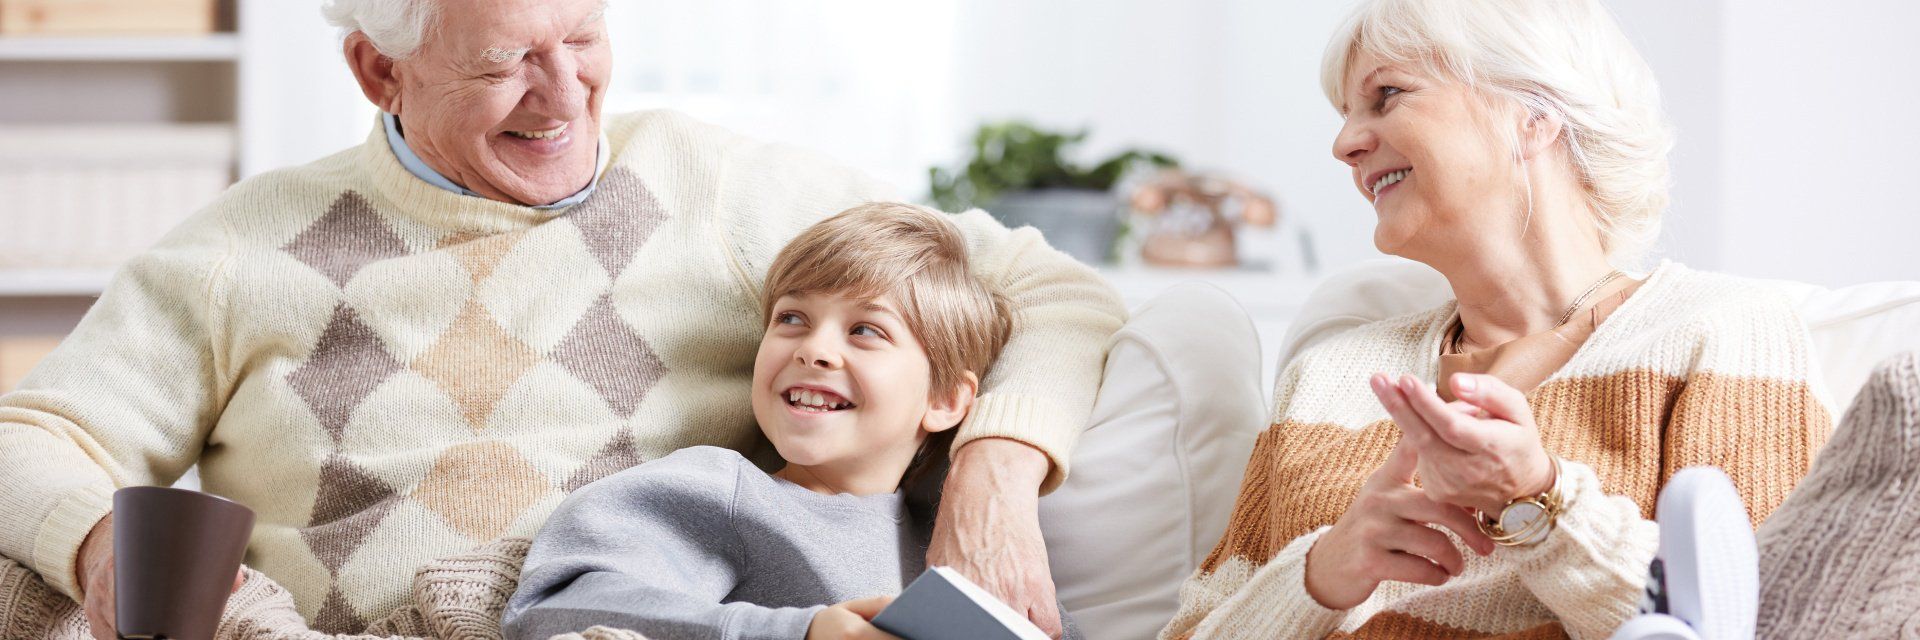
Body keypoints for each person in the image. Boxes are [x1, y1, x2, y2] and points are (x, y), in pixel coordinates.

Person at [0, 0, 1123, 635]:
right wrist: (96, 540)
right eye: (505, 63)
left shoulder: (716, 184)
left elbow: (1051, 287)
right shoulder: (239, 249)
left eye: (581, 38)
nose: (565, 93)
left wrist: (996, 471)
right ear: (375, 69)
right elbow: (31, 438)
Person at [1160, 0, 1832, 638]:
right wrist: (1319, 575)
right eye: (1344, 112)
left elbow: (1770, 618)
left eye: (1387, 94)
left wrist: (1541, 506)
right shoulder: (1329, 374)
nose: (1344, 143)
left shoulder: (1722, 330)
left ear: (1531, 113)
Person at [503, 202, 1080, 640]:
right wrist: (799, 631)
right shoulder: (725, 493)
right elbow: (554, 606)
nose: (814, 349)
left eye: (866, 331)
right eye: (793, 318)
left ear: (947, 400)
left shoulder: (958, 546)